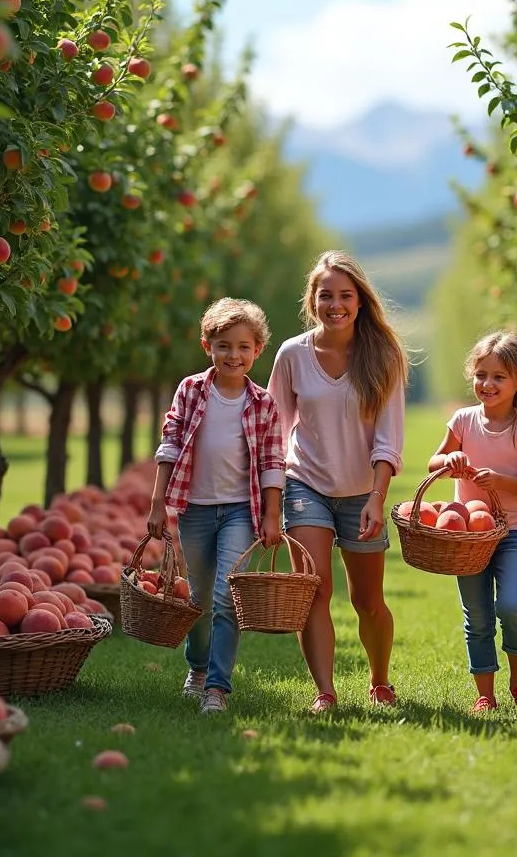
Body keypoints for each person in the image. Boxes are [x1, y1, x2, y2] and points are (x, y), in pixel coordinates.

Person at [267, 250, 407, 714]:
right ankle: (324, 692)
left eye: (345, 296)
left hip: (363, 492)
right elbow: (273, 430)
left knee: (368, 601)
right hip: (305, 483)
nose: (336, 305)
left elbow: (389, 437)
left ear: (360, 301)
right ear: (312, 300)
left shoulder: (382, 356)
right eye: (326, 295)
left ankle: (380, 681)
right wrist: (268, 497)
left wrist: (377, 496)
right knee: (315, 589)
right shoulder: (292, 355)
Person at [148, 297, 285, 714]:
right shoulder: (191, 391)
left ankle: (217, 688)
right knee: (201, 600)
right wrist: (158, 504)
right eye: (224, 345)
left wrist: (272, 513)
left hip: (240, 512)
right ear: (207, 345)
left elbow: (272, 462)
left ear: (257, 350)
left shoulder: (263, 403)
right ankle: (198, 668)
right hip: (196, 509)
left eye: (244, 347)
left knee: (228, 595)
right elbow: (170, 446)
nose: (234, 355)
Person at [428, 330, 517, 714]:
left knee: (511, 605)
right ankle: (485, 692)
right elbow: (435, 462)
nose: (488, 384)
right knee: (477, 615)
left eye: (499, 376)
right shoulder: (463, 421)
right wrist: (449, 462)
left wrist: (499, 480)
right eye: (481, 375)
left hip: (512, 530)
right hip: (468, 537)